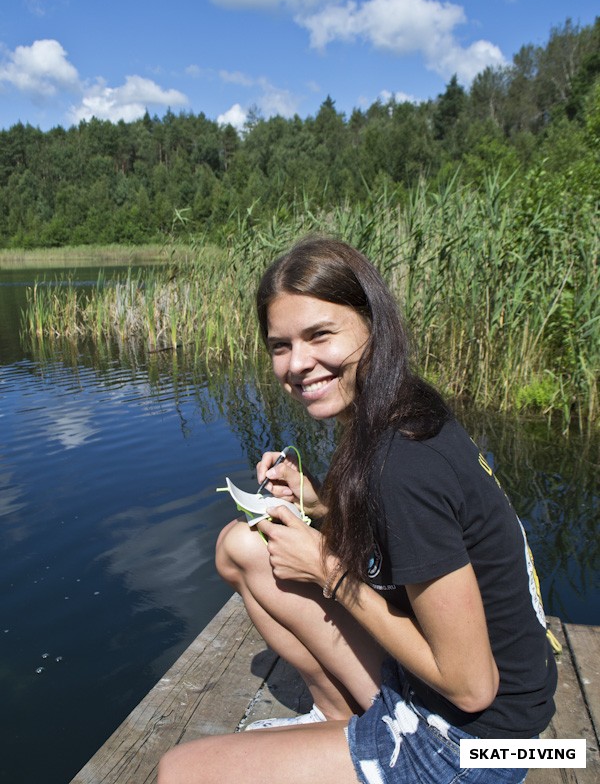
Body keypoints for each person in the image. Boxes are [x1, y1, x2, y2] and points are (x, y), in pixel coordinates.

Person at [158, 236, 557, 784]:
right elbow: (399, 532)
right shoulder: (397, 409)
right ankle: (342, 720)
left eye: (320, 335)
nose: (297, 364)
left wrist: (326, 568)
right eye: (280, 345)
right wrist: (319, 502)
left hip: (478, 745)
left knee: (181, 772)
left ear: (374, 324)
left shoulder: (404, 463)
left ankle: (357, 741)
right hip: (456, 705)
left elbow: (471, 686)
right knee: (241, 547)